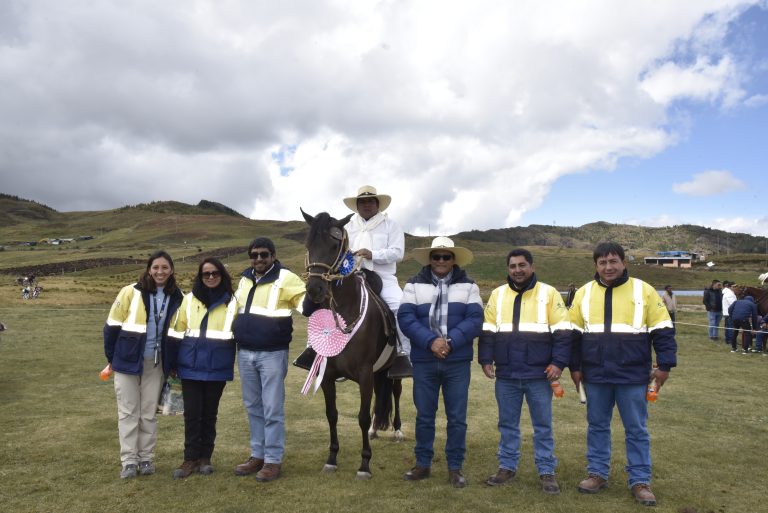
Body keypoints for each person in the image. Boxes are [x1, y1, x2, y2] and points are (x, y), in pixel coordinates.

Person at [569, 242, 677, 507]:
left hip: (633, 375)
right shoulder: (583, 293)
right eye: (602, 262)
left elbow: (663, 330)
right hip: (595, 375)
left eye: (613, 261)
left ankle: (640, 481)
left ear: (624, 262)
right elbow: (572, 335)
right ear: (596, 265)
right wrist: (574, 367)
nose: (608, 267)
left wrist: (664, 366)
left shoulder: (644, 290)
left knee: (636, 429)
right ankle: (597, 474)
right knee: (597, 426)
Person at [478, 249, 573, 495]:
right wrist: (485, 359)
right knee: (507, 424)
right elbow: (488, 331)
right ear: (508, 269)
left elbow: (563, 332)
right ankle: (507, 467)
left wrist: (558, 363)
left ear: (532, 266)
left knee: (543, 426)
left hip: (539, 375)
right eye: (513, 266)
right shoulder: (498, 294)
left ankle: (547, 471)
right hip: (507, 374)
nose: (517, 270)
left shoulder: (549, 293)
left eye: (522, 265)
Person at [397, 236, 483, 488]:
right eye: (437, 256)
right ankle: (423, 464)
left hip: (457, 361)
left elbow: (475, 319)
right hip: (425, 360)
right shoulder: (413, 285)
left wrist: (450, 342)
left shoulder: (469, 286)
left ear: (453, 259)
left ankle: (455, 467)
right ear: (430, 259)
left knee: (457, 418)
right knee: (424, 416)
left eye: (446, 256)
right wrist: (431, 342)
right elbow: (406, 318)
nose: (441, 260)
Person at [103, 250, 184, 479]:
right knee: (128, 412)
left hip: (156, 364)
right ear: (149, 269)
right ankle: (129, 461)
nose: (160, 271)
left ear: (171, 270)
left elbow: (180, 332)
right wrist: (112, 359)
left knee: (148, 413)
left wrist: (173, 363)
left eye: (165, 267)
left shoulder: (179, 296)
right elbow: (111, 327)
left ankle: (146, 458)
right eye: (155, 267)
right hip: (127, 362)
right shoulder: (130, 291)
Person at [232, 238, 306, 482]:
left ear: (273, 256)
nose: (259, 259)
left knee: (272, 408)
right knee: (253, 406)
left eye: (264, 254)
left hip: (272, 353)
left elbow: (306, 305)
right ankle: (258, 455)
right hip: (245, 353)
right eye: (254, 255)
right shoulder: (245, 279)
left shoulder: (286, 278)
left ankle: (273, 460)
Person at [168, 258, 238, 479]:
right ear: (200, 276)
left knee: (209, 414)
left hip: (218, 367)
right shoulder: (188, 300)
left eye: (215, 273)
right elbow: (176, 332)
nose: (210, 277)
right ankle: (190, 459)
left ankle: (205, 458)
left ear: (222, 275)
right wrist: (172, 363)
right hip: (190, 366)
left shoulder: (233, 302)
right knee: (192, 415)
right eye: (206, 274)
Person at [345, 185, 411, 378]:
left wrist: (373, 254)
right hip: (352, 277)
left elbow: (397, 253)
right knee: (328, 305)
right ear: (357, 205)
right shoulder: (348, 228)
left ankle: (403, 354)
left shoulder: (391, 225)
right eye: (362, 202)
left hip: (383, 278)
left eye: (370, 201)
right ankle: (321, 352)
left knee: (400, 307)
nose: (366, 205)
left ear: (377, 204)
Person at [722, 281, 737, 347]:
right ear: (730, 287)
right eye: (734, 286)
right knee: (730, 327)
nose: (735, 288)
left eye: (736, 286)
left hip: (727, 313)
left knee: (728, 327)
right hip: (729, 313)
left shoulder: (729, 293)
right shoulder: (729, 294)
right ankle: (730, 340)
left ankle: (728, 340)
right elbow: (733, 304)